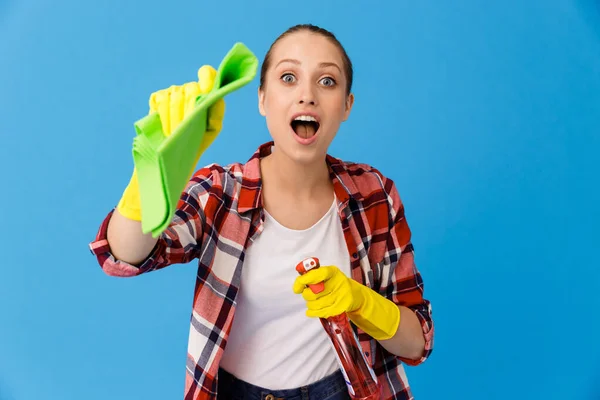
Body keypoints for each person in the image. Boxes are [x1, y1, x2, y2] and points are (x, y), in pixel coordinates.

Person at [89, 24, 434, 400]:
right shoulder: (222, 193)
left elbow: (417, 343)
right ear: (262, 99)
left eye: (327, 82)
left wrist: (363, 304)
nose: (307, 95)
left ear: (347, 105)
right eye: (288, 77)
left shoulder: (374, 195)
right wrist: (150, 178)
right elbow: (124, 255)